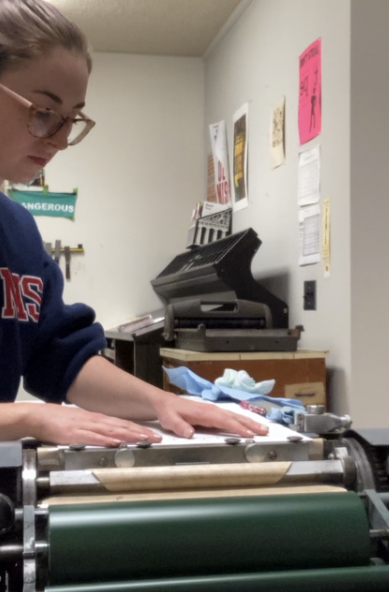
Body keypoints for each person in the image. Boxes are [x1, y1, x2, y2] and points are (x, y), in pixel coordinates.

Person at [0, 0, 268, 446]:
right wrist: (29, 419)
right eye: (44, 112)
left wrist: (161, 402)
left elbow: (62, 357)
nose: (62, 140)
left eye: (72, 119)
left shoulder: (19, 231)